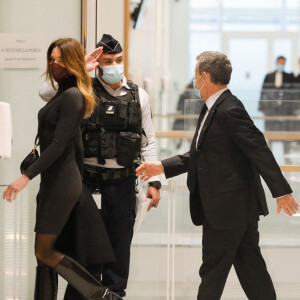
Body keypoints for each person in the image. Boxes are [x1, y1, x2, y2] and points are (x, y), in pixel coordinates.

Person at [136, 51, 299, 300]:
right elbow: (203, 154)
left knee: (213, 272)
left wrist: (282, 191)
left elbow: (259, 149)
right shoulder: (214, 108)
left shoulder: (228, 110)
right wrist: (162, 167)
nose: (194, 81)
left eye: (195, 76)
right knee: (251, 271)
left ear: (205, 76)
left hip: (227, 209)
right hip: (234, 208)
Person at [38, 34, 161, 298]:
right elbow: (45, 93)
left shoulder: (139, 96)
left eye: (118, 60)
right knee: (86, 256)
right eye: (107, 61)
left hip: (123, 185)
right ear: (98, 63)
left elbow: (148, 141)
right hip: (87, 185)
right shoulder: (82, 90)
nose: (114, 65)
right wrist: (80, 67)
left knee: (118, 257)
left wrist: (154, 183)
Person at [3, 38, 122, 300]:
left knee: (44, 251)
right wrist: (84, 67)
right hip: (53, 181)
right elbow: (46, 92)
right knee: (43, 257)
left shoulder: (73, 96)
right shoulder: (64, 91)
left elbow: (58, 145)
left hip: (62, 183)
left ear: (71, 63)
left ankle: (102, 295)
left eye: (60, 60)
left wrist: (25, 177)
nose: (54, 64)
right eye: (52, 59)